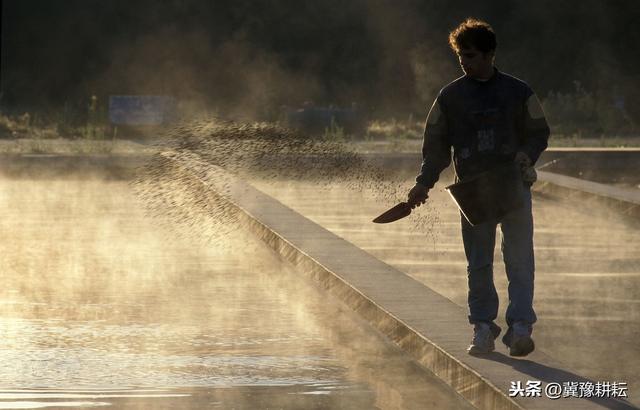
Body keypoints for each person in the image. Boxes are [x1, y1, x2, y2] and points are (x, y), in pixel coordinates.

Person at [407, 18, 550, 356]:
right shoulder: (450, 97)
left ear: (489, 55)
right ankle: (483, 327)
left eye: (470, 56)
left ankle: (520, 328)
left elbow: (539, 132)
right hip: (472, 191)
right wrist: (423, 184)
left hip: (511, 185)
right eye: (460, 57)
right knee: (479, 263)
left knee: (519, 260)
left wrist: (526, 155)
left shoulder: (519, 92)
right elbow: (436, 146)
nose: (465, 63)